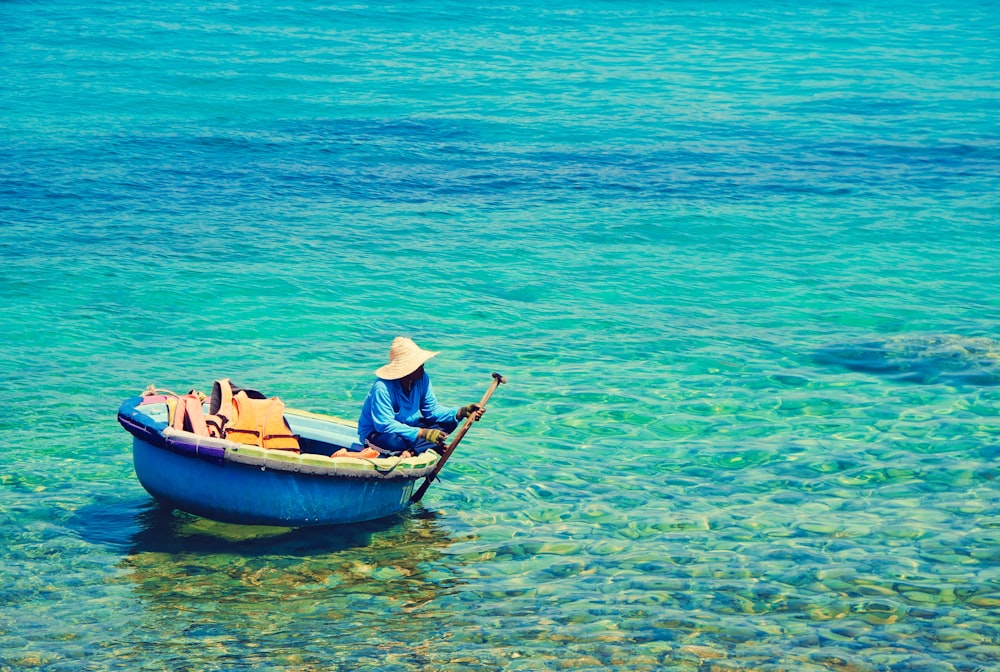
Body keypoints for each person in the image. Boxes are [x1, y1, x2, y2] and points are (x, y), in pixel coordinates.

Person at [357, 337, 485, 457]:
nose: (423, 366)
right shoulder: (382, 387)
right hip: (377, 433)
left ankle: (412, 451)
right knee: (395, 443)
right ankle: (422, 447)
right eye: (418, 364)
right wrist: (423, 434)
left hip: (409, 427)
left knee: (450, 422)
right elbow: (384, 425)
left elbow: (432, 411)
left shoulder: (422, 379)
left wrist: (461, 411)